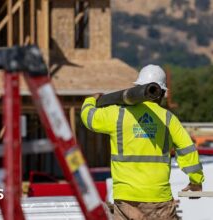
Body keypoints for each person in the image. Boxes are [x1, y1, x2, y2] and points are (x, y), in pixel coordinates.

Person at [81, 64, 204, 220]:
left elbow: (89, 118)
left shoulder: (118, 114)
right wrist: (196, 181)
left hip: (126, 200)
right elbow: (187, 149)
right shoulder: (168, 119)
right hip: (158, 200)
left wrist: (90, 100)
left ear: (137, 88)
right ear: (162, 93)